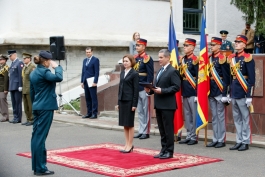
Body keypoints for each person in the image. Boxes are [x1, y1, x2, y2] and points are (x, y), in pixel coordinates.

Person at [30, 51, 63, 175]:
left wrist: (36, 105)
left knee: (36, 136)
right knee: (40, 137)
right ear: (46, 61)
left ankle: (37, 166)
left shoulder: (33, 72)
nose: (50, 62)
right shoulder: (44, 72)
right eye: (49, 61)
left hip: (37, 106)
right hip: (46, 108)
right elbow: (59, 77)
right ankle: (40, 168)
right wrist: (58, 67)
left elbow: (32, 93)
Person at [145, 49, 181, 159]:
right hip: (159, 104)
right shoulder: (160, 70)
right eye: (159, 57)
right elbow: (157, 86)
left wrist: (163, 91)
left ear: (167, 58)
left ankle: (169, 151)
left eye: (161, 57)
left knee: (168, 129)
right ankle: (163, 149)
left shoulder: (172, 71)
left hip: (168, 105)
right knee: (162, 129)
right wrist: (150, 90)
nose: (159, 59)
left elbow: (176, 87)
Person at [228, 35, 255, 151]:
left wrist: (249, 96)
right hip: (234, 91)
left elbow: (252, 79)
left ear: (244, 44)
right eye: (236, 42)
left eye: (239, 42)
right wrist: (229, 92)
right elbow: (230, 77)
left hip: (243, 92)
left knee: (245, 118)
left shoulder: (248, 58)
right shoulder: (232, 58)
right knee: (237, 118)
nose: (236, 44)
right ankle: (238, 140)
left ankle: (245, 141)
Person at [206, 37, 230, 148]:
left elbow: (226, 77)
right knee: (214, 117)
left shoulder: (222, 58)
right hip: (211, 90)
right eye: (211, 45)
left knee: (220, 116)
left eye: (214, 45)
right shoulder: (210, 58)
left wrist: (225, 94)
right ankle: (215, 138)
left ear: (219, 46)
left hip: (220, 90)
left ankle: (221, 139)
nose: (212, 47)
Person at [178, 38, 199, 145]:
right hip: (185, 90)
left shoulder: (196, 60)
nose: (184, 47)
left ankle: (194, 136)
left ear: (192, 47)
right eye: (184, 45)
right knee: (187, 115)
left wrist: (197, 94)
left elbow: (199, 78)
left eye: (187, 46)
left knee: (194, 115)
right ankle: (189, 135)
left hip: (193, 90)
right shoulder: (183, 60)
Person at [133, 38, 154, 139]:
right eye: (136, 45)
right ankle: (141, 130)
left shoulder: (147, 58)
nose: (137, 47)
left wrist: (148, 86)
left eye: (139, 45)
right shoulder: (135, 58)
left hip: (144, 87)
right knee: (140, 111)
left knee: (146, 110)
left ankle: (146, 131)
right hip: (136, 87)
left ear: (144, 46)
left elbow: (150, 74)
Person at [117, 54, 139, 153]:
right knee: (124, 124)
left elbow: (136, 90)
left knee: (129, 123)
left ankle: (130, 145)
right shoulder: (122, 73)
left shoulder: (134, 73)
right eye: (124, 61)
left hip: (130, 101)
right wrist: (118, 102)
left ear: (131, 62)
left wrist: (134, 104)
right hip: (122, 100)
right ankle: (126, 144)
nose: (125, 63)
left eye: (127, 61)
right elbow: (120, 88)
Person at [81, 47, 100, 119]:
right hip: (85, 81)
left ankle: (94, 113)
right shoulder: (84, 60)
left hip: (92, 81)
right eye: (87, 52)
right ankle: (89, 113)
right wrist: (82, 81)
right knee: (87, 97)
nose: (88, 53)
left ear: (92, 52)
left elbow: (96, 72)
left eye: (89, 52)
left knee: (93, 97)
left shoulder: (95, 60)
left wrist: (95, 81)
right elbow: (83, 71)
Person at [8, 50, 24, 124]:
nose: (10, 57)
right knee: (14, 102)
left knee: (18, 103)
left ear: (14, 55)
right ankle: (15, 116)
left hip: (17, 86)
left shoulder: (19, 63)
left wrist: (20, 85)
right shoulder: (12, 63)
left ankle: (18, 118)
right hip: (12, 86)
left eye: (10, 56)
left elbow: (20, 75)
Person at [21, 53, 36, 126]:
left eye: (25, 58)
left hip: (29, 89)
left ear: (29, 59)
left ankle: (32, 119)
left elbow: (33, 79)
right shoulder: (25, 67)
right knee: (25, 105)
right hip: (24, 89)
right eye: (23, 58)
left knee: (30, 106)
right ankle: (28, 119)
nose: (24, 60)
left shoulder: (32, 67)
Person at [0, 54, 9, 122]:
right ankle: (3, 115)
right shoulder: (0, 67)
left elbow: (6, 79)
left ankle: (5, 116)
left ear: (5, 60)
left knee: (3, 102)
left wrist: (6, 89)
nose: (0, 61)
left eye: (1, 59)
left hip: (3, 88)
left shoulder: (6, 68)